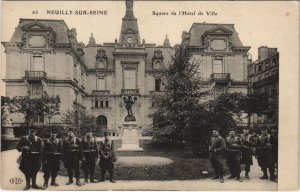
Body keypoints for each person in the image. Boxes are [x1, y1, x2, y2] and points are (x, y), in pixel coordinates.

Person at [16, 126, 43, 190]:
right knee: (26, 170)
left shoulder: (38, 139)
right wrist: (23, 147)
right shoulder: (24, 138)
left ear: (36, 132)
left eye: (34, 131)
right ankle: (27, 185)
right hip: (26, 158)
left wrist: (40, 159)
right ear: (29, 131)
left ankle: (34, 184)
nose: (32, 133)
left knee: (35, 170)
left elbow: (41, 150)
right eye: (31, 131)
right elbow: (18, 147)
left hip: (35, 158)